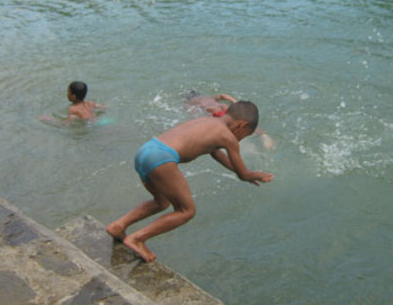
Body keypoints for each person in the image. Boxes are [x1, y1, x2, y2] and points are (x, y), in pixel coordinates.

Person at [106, 101, 274, 263]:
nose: (239, 140)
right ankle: (137, 238)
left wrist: (244, 173)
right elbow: (243, 174)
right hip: (162, 158)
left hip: (147, 150)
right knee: (186, 211)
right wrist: (256, 175)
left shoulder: (208, 121)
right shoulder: (228, 137)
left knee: (161, 202)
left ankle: (119, 226)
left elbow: (216, 154)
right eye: (244, 136)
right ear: (242, 125)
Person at [186, 91, 275, 149]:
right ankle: (263, 135)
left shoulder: (194, 102)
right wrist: (234, 101)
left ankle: (260, 137)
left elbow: (194, 111)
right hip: (223, 109)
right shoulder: (209, 97)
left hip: (215, 112)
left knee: (234, 124)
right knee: (242, 120)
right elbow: (221, 96)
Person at [40, 81, 106, 124]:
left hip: (90, 125)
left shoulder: (73, 109)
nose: (67, 94)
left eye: (68, 92)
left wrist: (48, 119)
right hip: (100, 122)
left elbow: (65, 123)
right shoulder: (90, 103)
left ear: (73, 96)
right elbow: (103, 107)